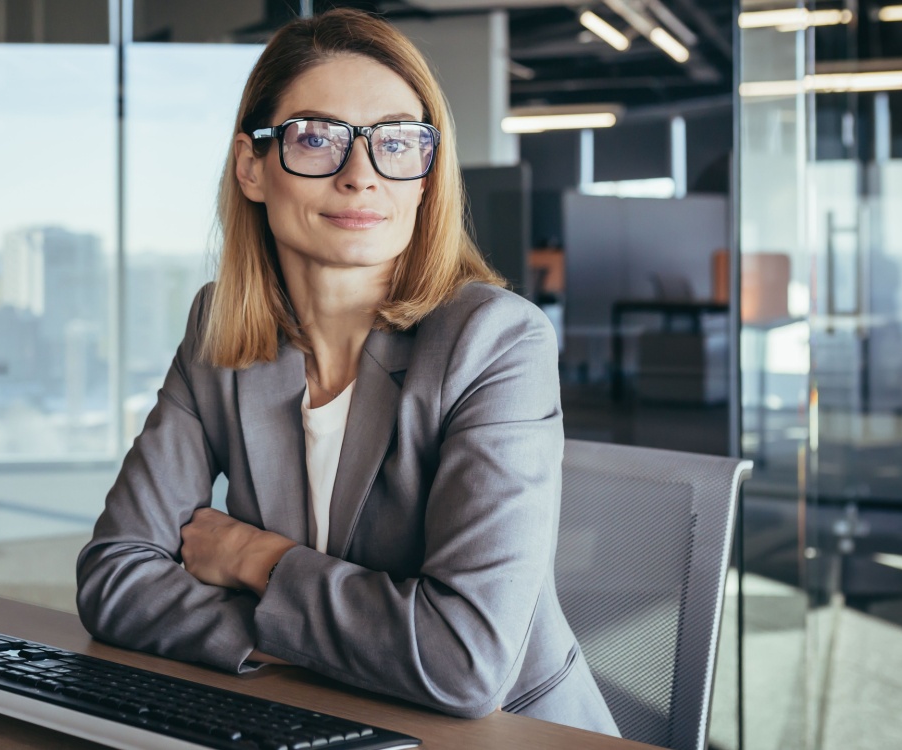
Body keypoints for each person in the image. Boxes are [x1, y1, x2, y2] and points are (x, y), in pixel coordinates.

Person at [76, 8, 617, 735]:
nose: (361, 176)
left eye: (396, 142)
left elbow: (462, 660)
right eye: (315, 137)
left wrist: (257, 560)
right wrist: (324, 640)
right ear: (252, 168)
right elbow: (115, 579)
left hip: (507, 735)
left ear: (426, 177)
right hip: (310, 720)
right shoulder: (222, 329)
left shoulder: (493, 342)